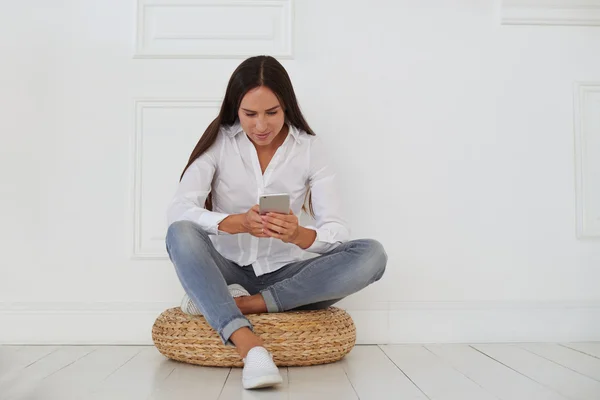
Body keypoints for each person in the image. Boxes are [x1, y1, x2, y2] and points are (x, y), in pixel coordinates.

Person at [165, 55, 387, 390]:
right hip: (227, 268)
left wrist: (300, 235)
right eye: (249, 114)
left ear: (287, 106)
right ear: (235, 110)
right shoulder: (221, 142)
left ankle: (244, 303)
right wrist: (236, 222)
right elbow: (179, 210)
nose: (261, 125)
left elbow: (338, 232)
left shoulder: (311, 149)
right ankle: (250, 347)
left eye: (272, 113)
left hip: (285, 275)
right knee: (179, 232)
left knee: (373, 255)